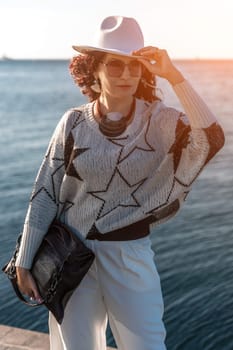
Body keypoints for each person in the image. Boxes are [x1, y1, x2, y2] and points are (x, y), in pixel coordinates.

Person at [15, 15, 224, 350]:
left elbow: (211, 139)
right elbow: (45, 194)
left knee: (148, 345)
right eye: (115, 65)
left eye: (134, 65)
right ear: (95, 69)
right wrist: (25, 261)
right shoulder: (73, 123)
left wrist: (174, 76)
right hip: (69, 256)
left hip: (129, 256)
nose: (126, 75)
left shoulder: (160, 121)